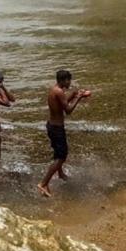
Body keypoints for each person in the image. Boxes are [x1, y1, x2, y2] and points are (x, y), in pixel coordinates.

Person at [37, 69, 91, 197]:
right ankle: (43, 183)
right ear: (63, 80)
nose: (70, 83)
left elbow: (62, 104)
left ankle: (60, 174)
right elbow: (68, 110)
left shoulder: (54, 90)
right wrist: (79, 98)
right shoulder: (59, 92)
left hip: (52, 125)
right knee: (61, 156)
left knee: (57, 152)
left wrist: (73, 95)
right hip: (57, 128)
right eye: (69, 80)